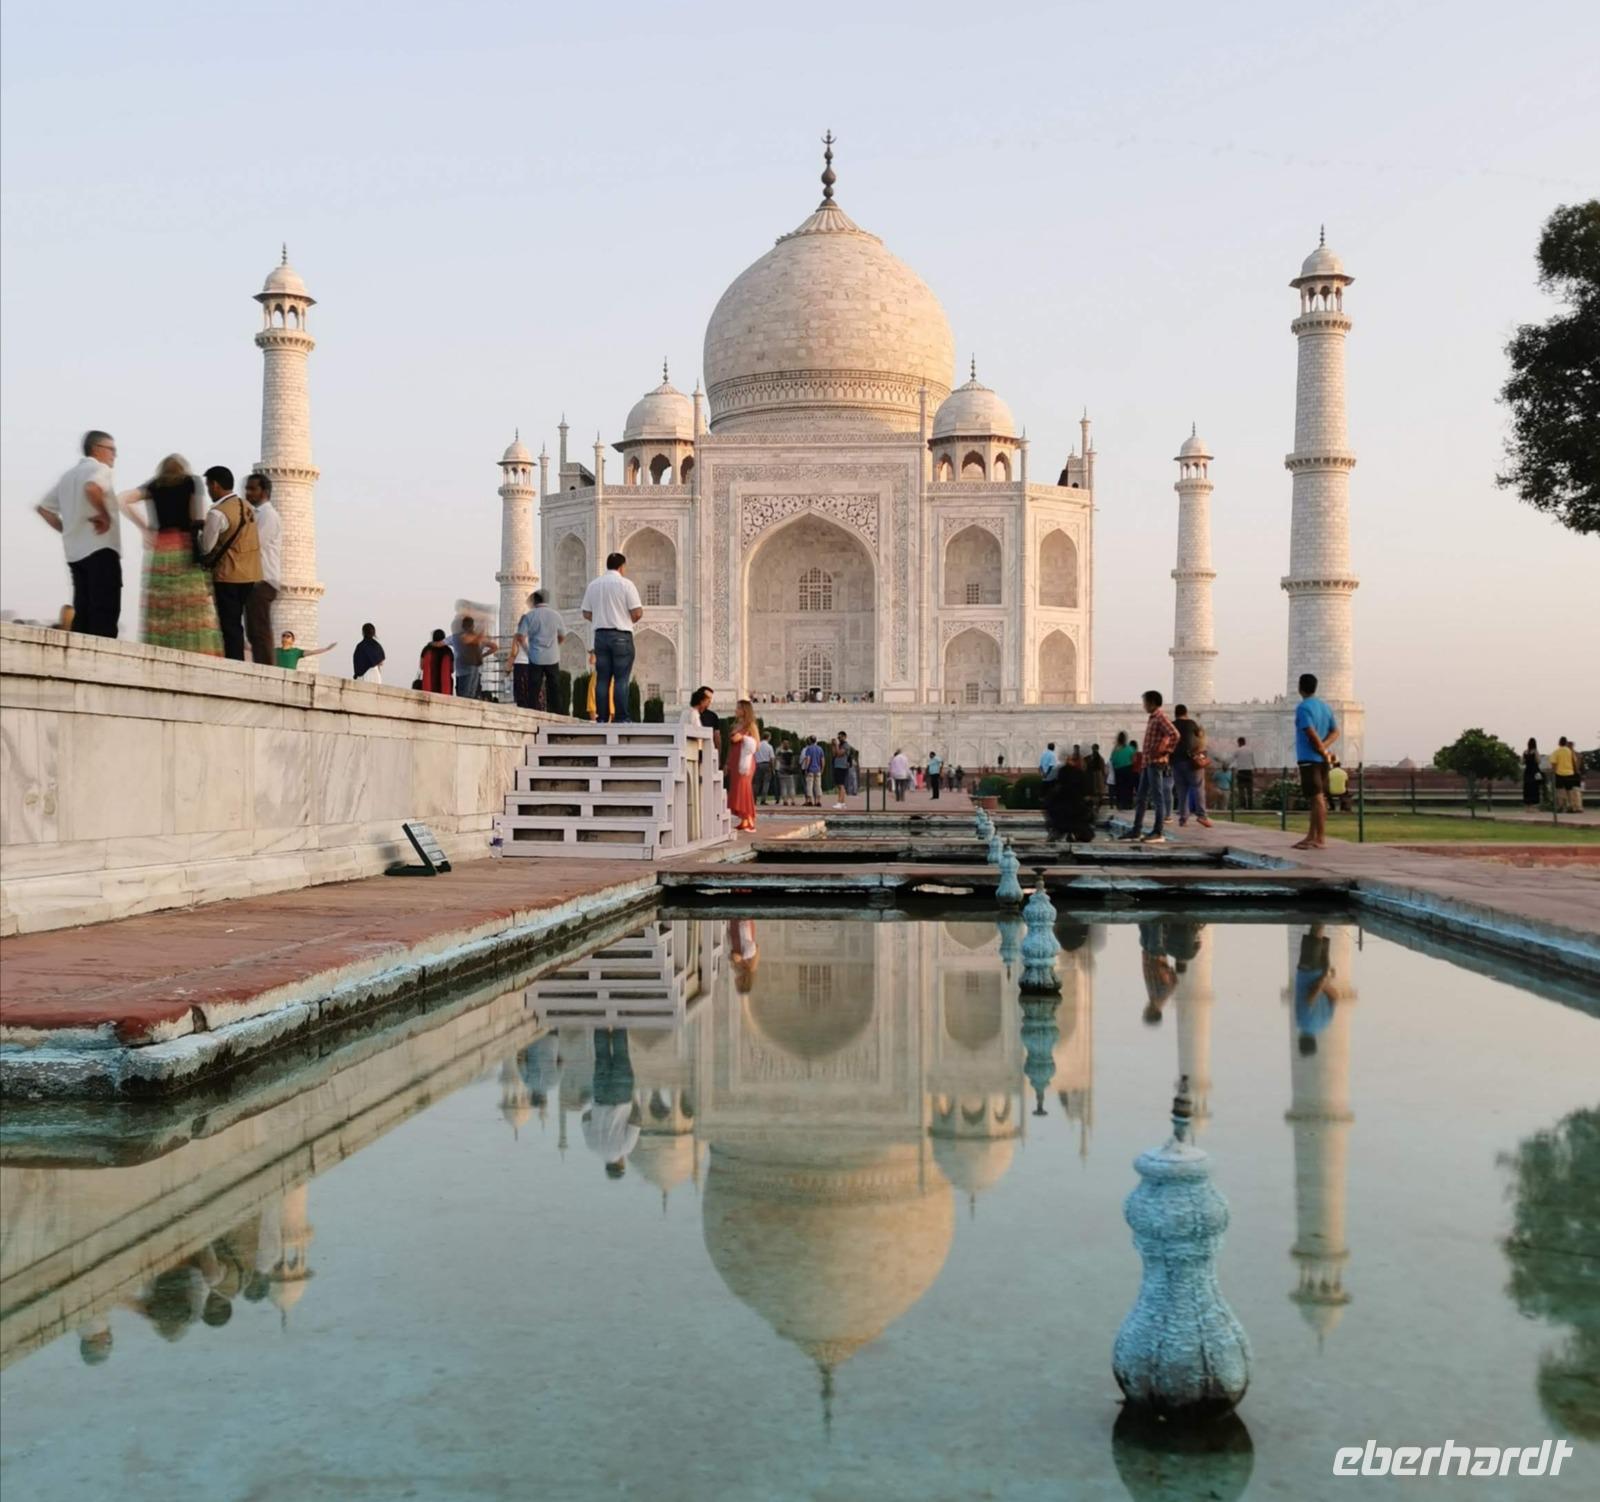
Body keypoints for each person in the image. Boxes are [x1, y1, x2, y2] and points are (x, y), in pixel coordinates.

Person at [118, 453, 221, 655]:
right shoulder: (192, 482)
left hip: (161, 547)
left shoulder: (155, 485)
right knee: (189, 603)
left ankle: (160, 651)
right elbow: (198, 517)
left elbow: (122, 499)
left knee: (162, 604)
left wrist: (145, 528)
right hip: (183, 545)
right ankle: (193, 651)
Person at [36, 430, 122, 638]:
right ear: (97, 449)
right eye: (111, 449)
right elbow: (92, 488)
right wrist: (104, 515)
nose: (115, 455)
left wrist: (68, 529)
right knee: (104, 612)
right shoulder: (100, 469)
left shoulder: (68, 476)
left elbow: (44, 509)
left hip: (75, 553)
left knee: (82, 613)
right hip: (101, 548)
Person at [197, 466, 261, 661]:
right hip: (250, 574)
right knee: (238, 621)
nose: (209, 492)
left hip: (228, 574)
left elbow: (207, 547)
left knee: (229, 623)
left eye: (209, 486)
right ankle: (238, 657)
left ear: (215, 485)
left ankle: (234, 661)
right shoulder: (248, 507)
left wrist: (200, 533)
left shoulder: (217, 513)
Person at [580, 552, 643, 723]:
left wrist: (601, 618)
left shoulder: (594, 585)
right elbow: (637, 612)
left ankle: (602, 718)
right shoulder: (626, 584)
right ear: (622, 567)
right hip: (621, 635)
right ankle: (621, 718)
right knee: (621, 678)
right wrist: (624, 618)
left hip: (600, 636)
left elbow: (586, 612)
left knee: (603, 679)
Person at [1123, 691, 1179, 844]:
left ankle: (1158, 831)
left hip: (1155, 762)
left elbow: (1175, 734)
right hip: (1148, 763)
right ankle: (1136, 830)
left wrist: (1166, 751)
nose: (1144, 705)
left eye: (1145, 702)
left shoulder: (1160, 717)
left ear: (1153, 702)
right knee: (1141, 798)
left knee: (1157, 797)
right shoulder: (1153, 718)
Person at [1292, 672, 1339, 850]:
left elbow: (1310, 732)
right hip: (1321, 760)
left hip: (1309, 759)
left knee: (1318, 798)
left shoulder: (1303, 708)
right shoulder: (1325, 707)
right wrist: (1325, 747)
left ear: (1300, 687)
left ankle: (1319, 838)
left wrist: (1320, 748)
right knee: (1315, 798)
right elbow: (1335, 732)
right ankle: (1311, 836)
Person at [583, 1028, 639, 1179]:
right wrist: (596, 1111)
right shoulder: (592, 1146)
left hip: (622, 1095)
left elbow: (636, 1122)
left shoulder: (625, 1148)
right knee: (601, 1055)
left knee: (621, 1054)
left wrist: (633, 1101)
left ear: (621, 1165)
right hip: (600, 1095)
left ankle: (619, 1016)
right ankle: (601, 1017)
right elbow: (585, 1118)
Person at [242, 473, 282, 664]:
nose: (247, 492)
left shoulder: (268, 515)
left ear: (264, 492)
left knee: (260, 629)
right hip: (256, 578)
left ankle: (267, 670)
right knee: (254, 630)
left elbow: (254, 543)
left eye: (252, 489)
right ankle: (262, 666)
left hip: (263, 579)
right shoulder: (258, 513)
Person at [512, 589, 565, 711]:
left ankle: (533, 711)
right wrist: (555, 646)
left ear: (534, 601)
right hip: (552, 657)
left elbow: (520, 636)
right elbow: (562, 636)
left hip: (536, 657)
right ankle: (558, 712)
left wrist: (527, 651)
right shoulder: (556, 615)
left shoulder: (530, 616)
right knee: (554, 687)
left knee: (534, 688)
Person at [1293, 924, 1336, 1055]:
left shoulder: (1324, 1024)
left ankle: (1323, 914)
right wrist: (1321, 983)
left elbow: (1334, 997)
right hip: (1308, 971)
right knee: (1315, 934)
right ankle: (1322, 908)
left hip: (1322, 971)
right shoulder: (1303, 1023)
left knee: (1319, 938)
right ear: (1300, 1041)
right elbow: (1309, 999)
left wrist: (1326, 980)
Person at [1171, 704, 1213, 828]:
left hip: (1176, 762)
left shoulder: (1172, 725)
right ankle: (1202, 816)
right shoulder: (1191, 724)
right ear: (1186, 713)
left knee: (1182, 790)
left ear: (1176, 713)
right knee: (1198, 787)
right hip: (1191, 761)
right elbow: (1200, 737)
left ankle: (1183, 818)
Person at [727, 700, 760, 832]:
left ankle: (750, 818)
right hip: (735, 760)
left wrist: (743, 737)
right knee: (737, 789)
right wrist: (727, 763)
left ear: (744, 710)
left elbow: (756, 745)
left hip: (745, 762)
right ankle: (744, 819)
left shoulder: (750, 726)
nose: (736, 710)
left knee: (744, 789)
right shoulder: (736, 725)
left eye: (738, 708)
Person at [451, 614, 488, 700]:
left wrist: (483, 627)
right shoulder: (462, 635)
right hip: (467, 667)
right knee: (466, 694)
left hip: (473, 665)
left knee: (472, 693)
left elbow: (479, 639)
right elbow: (473, 639)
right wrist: (483, 626)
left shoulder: (470, 635)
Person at [686, 685, 721, 758]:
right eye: (707, 700)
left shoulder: (712, 716)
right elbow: (698, 735)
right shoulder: (693, 714)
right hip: (696, 752)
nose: (709, 703)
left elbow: (716, 737)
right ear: (701, 701)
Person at [1551, 737, 1583, 813]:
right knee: (1570, 791)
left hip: (1559, 774)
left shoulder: (1556, 752)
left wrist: (1554, 772)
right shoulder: (1570, 751)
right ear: (1565, 743)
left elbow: (1553, 763)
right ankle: (1572, 806)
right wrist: (1576, 771)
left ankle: (1561, 806)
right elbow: (1575, 762)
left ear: (1559, 743)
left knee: (1560, 791)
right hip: (1570, 773)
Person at [420, 629, 454, 693]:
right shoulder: (448, 651)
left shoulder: (427, 649)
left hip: (428, 687)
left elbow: (422, 666)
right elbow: (452, 669)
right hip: (445, 689)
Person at [1109, 731, 1136, 810]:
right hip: (1128, 768)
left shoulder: (1115, 749)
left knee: (1119, 787)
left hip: (1118, 770)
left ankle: (1119, 803)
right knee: (1128, 787)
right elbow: (1134, 759)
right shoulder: (1130, 748)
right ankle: (1128, 804)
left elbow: (1112, 760)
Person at [1232, 736, 1256, 810]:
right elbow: (1253, 760)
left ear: (1240, 742)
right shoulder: (1250, 750)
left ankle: (1243, 806)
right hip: (1249, 771)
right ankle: (1250, 806)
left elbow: (1232, 759)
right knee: (1249, 790)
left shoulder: (1238, 750)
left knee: (1241, 790)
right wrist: (1255, 768)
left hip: (1241, 771)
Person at [800, 736, 825, 807]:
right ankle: (818, 801)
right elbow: (822, 760)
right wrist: (822, 769)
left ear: (810, 741)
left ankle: (810, 801)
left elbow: (808, 759)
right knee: (818, 786)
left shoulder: (809, 749)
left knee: (809, 786)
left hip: (810, 769)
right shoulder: (820, 749)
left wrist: (806, 768)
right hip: (818, 770)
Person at [831, 734, 853, 809]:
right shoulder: (839, 745)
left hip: (842, 766)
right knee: (839, 785)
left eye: (840, 737)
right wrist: (833, 746)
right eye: (838, 737)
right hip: (837, 766)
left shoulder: (846, 746)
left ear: (844, 737)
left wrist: (836, 745)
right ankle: (843, 803)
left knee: (841, 785)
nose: (839, 738)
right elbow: (834, 754)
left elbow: (839, 753)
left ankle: (839, 802)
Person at [754, 732, 776, 805]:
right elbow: (772, 758)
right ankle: (763, 800)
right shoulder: (769, 746)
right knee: (766, 783)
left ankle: (754, 798)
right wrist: (773, 768)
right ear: (768, 737)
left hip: (758, 764)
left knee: (757, 783)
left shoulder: (757, 745)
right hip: (766, 765)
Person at [776, 739, 799, 806]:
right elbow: (793, 761)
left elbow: (777, 759)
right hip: (789, 771)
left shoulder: (780, 752)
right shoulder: (791, 752)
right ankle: (793, 800)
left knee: (783, 787)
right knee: (791, 786)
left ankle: (785, 801)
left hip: (782, 770)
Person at [1522, 738, 1543, 807]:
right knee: (1535, 787)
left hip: (1527, 771)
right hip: (1535, 771)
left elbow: (1522, 762)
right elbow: (1538, 761)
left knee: (1527, 787)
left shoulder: (1525, 752)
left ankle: (1527, 802)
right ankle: (1534, 803)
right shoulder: (1535, 752)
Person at [1087, 743, 1107, 808]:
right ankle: (1098, 803)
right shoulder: (1100, 758)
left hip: (1093, 774)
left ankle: (1095, 804)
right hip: (1098, 774)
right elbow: (1103, 768)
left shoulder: (1090, 758)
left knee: (1094, 790)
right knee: (1098, 790)